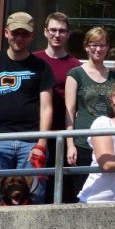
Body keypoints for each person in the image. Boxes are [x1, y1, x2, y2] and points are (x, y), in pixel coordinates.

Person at [0, 11, 55, 206]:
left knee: (33, 197)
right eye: (15, 33)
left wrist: (42, 142)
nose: (19, 38)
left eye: (24, 34)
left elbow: (46, 107)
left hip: (30, 141)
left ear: (32, 37)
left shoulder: (41, 66)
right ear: (6, 33)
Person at [65, 26, 115, 202]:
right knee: (81, 192)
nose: (98, 49)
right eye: (94, 45)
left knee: (106, 192)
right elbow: (70, 111)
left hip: (109, 142)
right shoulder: (76, 74)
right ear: (86, 47)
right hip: (83, 143)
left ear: (107, 47)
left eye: (102, 45)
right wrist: (70, 144)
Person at [32, 12, 82, 203]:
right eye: (53, 30)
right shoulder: (33, 60)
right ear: (45, 32)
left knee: (59, 186)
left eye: (62, 31)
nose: (57, 34)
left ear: (68, 34)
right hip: (35, 132)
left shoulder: (75, 66)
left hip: (63, 133)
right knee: (34, 185)